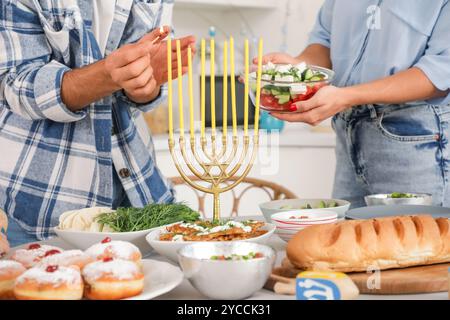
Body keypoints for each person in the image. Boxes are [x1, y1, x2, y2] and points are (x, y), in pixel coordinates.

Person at [0, 0, 195, 246]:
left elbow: (145, 91)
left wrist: (147, 85)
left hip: (137, 194)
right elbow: (15, 85)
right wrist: (107, 75)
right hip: (40, 206)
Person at [258, 0, 450, 208]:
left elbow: (439, 74)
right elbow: (324, 42)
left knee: (410, 235)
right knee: (350, 236)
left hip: (415, 138)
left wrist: (346, 96)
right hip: (347, 130)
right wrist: (296, 70)